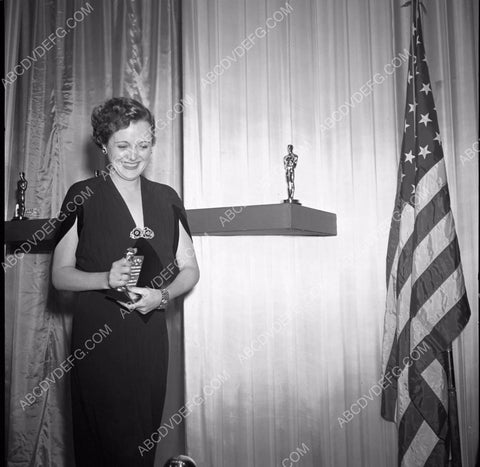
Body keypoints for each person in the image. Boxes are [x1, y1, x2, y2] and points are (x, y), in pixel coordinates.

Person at [52, 97, 200, 466]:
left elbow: (191, 268)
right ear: (103, 145)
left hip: (149, 340)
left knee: (141, 446)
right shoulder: (82, 195)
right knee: (106, 445)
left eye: (143, 144)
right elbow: (59, 276)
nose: (134, 155)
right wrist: (105, 277)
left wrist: (162, 295)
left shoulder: (167, 198)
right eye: (123, 145)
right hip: (98, 343)